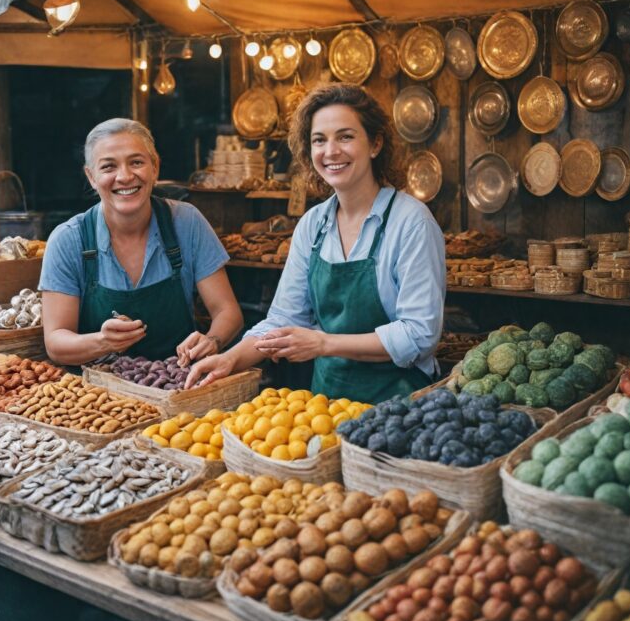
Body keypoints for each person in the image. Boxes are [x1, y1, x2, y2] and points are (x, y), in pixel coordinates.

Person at [186, 83, 445, 403]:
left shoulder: (410, 222)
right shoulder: (313, 225)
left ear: (375, 143)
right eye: (319, 140)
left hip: (401, 403)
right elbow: (283, 319)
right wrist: (231, 359)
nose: (331, 151)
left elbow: (419, 336)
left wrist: (323, 343)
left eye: (346, 136)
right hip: (326, 404)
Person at [40, 118, 243, 366]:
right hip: (97, 398)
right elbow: (56, 343)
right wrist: (103, 341)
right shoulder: (69, 239)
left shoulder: (186, 222)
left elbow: (228, 312)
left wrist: (213, 340)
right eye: (108, 167)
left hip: (177, 387)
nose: (125, 176)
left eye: (136, 162)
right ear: (91, 177)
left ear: (155, 167)